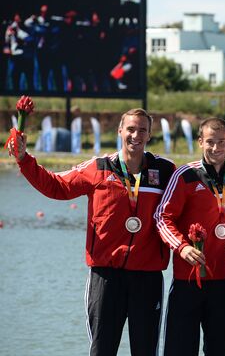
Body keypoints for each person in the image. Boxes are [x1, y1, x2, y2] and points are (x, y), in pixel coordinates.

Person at [8, 107, 176, 356]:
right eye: (130, 129)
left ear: (150, 134)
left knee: (146, 351)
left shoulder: (165, 171)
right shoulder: (98, 168)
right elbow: (56, 186)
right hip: (105, 277)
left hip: (147, 277)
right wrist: (24, 159)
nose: (135, 135)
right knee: (102, 350)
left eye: (142, 130)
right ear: (120, 131)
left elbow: (187, 206)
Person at [154, 117, 225, 356]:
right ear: (200, 142)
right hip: (189, 278)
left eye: (221, 142)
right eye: (210, 142)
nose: (216, 148)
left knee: (219, 350)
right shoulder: (185, 175)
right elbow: (161, 216)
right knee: (179, 349)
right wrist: (182, 247)